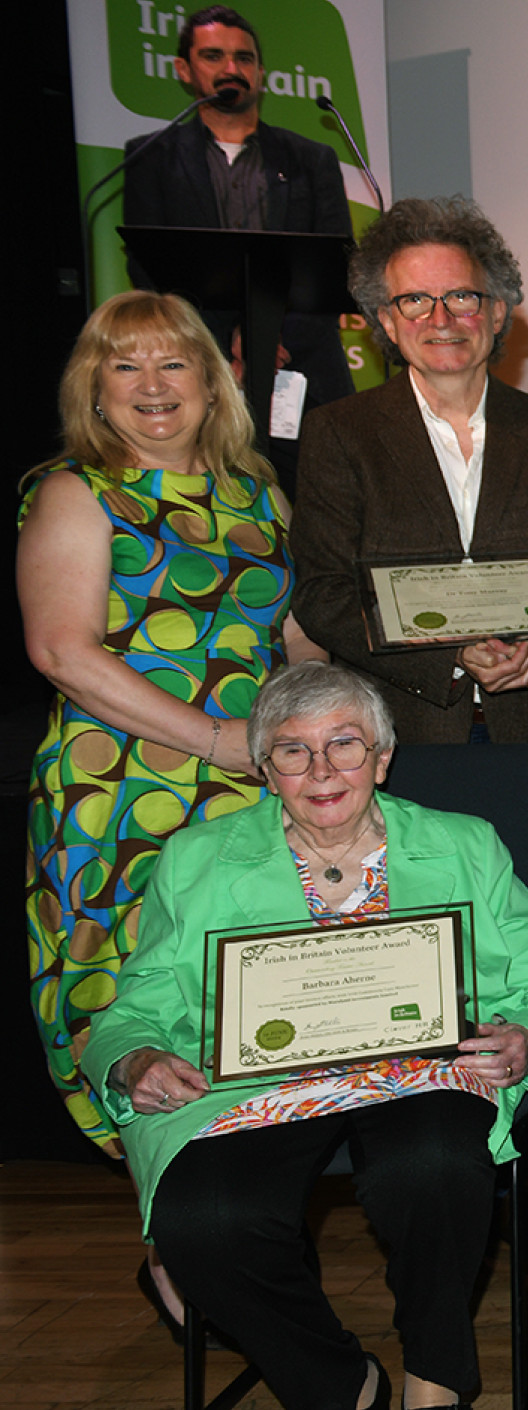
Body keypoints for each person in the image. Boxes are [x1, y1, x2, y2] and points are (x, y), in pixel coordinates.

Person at [82, 661, 528, 1410]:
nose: (321, 770)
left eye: (344, 744)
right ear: (265, 769)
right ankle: (341, 1386)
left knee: (432, 1167)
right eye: (292, 750)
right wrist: (133, 1059)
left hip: (424, 1067)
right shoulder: (197, 858)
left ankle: (435, 1379)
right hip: (254, 1080)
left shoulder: (464, 843)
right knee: (204, 1221)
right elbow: (137, 1006)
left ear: (382, 757)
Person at [22, 291, 325, 1165]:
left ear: (213, 382)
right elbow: (61, 651)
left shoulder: (257, 492)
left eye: (173, 363)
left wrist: (315, 716)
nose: (151, 385)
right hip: (120, 788)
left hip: (257, 781)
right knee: (133, 998)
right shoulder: (75, 493)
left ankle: (238, 1197)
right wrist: (218, 740)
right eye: (125, 366)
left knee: (246, 990)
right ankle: (174, 1208)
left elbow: (298, 635)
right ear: (95, 389)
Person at [289, 197, 528, 791]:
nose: (440, 319)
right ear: (386, 321)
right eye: (415, 300)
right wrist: (447, 658)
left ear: (496, 312)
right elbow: (323, 594)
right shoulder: (339, 433)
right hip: (398, 738)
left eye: (461, 297)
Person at [119, 5, 355, 466]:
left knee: (318, 496)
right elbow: (150, 272)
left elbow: (334, 270)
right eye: (213, 56)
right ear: (184, 69)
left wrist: (266, 340)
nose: (232, 69)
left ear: (261, 73)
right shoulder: (150, 158)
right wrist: (223, 344)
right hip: (198, 370)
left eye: (244, 58)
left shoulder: (312, 160)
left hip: (304, 369)